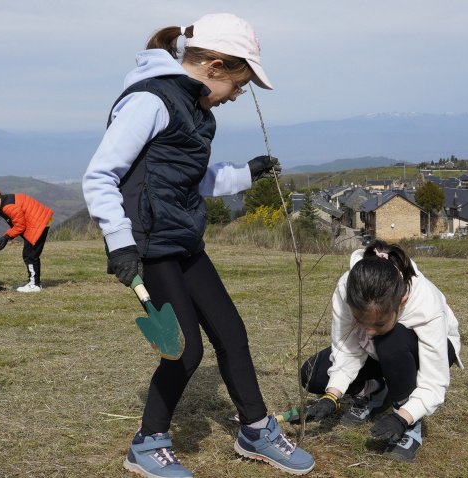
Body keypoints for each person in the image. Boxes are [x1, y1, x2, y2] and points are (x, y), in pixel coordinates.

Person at [82, 13, 314, 477]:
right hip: (148, 245)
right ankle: (147, 445)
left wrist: (248, 171)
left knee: (231, 332)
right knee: (185, 350)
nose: (239, 95)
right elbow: (100, 175)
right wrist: (120, 244)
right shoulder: (150, 101)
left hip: (183, 239)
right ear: (213, 66)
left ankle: (255, 429)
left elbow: (192, 178)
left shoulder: (194, 109)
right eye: (239, 83)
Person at [298, 240, 463, 463]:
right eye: (361, 321)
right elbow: (345, 348)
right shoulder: (349, 288)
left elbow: (434, 381)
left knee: (390, 340)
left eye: (378, 324)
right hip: (378, 352)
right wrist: (332, 395)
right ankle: (377, 392)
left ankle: (410, 425)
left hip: (425, 351)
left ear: (402, 302)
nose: (368, 331)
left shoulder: (425, 303)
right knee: (313, 375)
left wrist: (402, 418)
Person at [0, 186, 54, 293]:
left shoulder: (8, 207)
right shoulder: (6, 202)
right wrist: (6, 236)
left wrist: (7, 237)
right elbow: (17, 223)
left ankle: (34, 284)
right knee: (31, 254)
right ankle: (34, 282)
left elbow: (20, 226)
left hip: (38, 223)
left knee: (30, 255)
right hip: (40, 221)